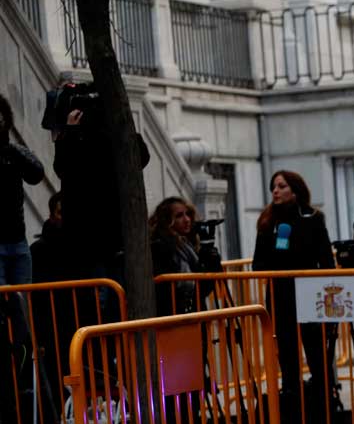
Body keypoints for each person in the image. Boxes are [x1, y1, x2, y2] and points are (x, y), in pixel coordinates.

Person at [252, 170, 336, 424]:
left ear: (296, 190)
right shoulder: (269, 222)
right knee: (288, 363)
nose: (276, 191)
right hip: (282, 298)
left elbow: (325, 259)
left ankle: (324, 422)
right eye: (273, 186)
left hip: (311, 296)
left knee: (318, 361)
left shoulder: (313, 218)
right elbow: (260, 264)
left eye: (282, 186)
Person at [51, 88, 150, 309]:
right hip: (86, 235)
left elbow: (140, 157)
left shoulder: (112, 135)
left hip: (114, 232)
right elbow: (63, 168)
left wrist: (123, 124)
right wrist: (71, 131)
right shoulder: (77, 139)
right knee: (97, 299)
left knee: (116, 296)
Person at [0, 94, 45, 287]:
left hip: (18, 241)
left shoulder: (12, 152)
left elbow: (36, 173)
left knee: (22, 304)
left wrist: (11, 150)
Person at [149, 196, 220, 315]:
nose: (187, 219)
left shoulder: (188, 244)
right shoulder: (161, 247)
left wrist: (211, 257)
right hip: (175, 316)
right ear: (167, 220)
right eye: (179, 216)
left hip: (195, 313)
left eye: (187, 214)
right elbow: (168, 290)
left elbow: (204, 287)